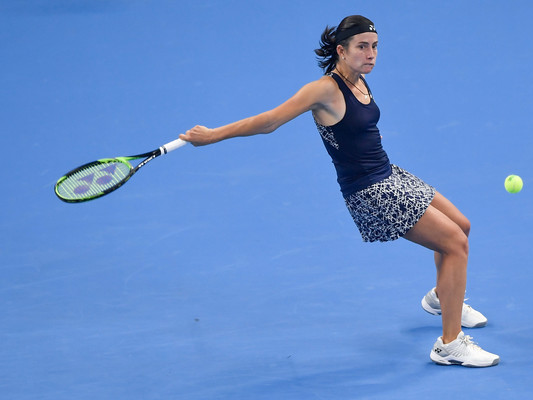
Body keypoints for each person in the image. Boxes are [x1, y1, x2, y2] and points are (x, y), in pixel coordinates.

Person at [180, 15, 500, 367]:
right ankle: (449, 345)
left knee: (462, 226)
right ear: (341, 50)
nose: (371, 54)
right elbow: (270, 121)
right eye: (362, 46)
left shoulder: (360, 79)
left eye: (375, 46)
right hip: (371, 190)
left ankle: (444, 296)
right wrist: (212, 135)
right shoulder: (325, 90)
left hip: (389, 173)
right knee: (455, 244)